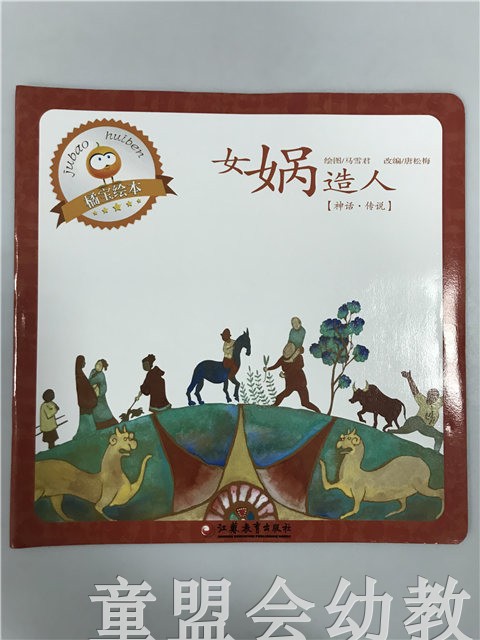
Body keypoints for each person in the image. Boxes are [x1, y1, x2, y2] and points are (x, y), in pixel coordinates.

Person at [387, 371, 444, 452]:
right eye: (432, 395)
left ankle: (436, 452)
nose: (434, 398)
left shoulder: (438, 404)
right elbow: (415, 391)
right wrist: (409, 378)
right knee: (413, 425)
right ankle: (391, 431)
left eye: (436, 396)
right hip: (417, 422)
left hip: (427, 428)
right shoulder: (423, 400)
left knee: (440, 436)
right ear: (428, 395)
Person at [264, 342, 320, 412]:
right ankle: (274, 406)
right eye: (284, 351)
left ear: (292, 352)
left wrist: (285, 375)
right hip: (290, 383)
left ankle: (318, 412)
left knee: (305, 402)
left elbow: (297, 368)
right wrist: (268, 369)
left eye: (287, 352)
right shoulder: (282, 359)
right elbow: (276, 365)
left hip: (300, 382)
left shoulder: (298, 357)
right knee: (281, 396)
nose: (285, 353)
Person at [73, 354, 98, 439]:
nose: (85, 363)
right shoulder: (80, 375)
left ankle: (90, 431)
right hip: (85, 401)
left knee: (87, 417)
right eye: (83, 362)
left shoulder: (80, 373)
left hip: (85, 401)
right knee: (86, 417)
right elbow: (84, 388)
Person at [88, 359, 118, 429]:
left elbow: (104, 387)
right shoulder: (92, 371)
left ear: (102, 368)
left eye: (100, 365)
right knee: (95, 414)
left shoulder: (101, 375)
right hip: (92, 397)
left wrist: (99, 392)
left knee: (103, 413)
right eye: (97, 364)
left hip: (99, 399)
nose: (98, 366)